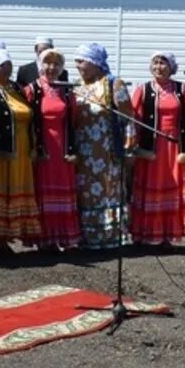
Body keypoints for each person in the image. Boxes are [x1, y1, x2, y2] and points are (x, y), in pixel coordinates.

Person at [0, 48, 42, 254]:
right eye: (3, 64)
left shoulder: (16, 88)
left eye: (10, 63)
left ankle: (8, 236)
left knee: (16, 192)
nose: (9, 67)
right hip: (0, 153)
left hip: (21, 151)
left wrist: (34, 145)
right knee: (0, 192)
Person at [69, 42, 134, 250]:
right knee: (86, 192)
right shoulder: (76, 87)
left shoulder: (113, 84)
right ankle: (87, 236)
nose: (77, 65)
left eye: (82, 61)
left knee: (106, 191)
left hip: (106, 151)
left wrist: (129, 147)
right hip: (83, 151)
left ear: (95, 63)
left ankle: (109, 236)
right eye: (76, 61)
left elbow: (128, 119)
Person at [129, 51, 185, 247]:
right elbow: (134, 120)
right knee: (149, 187)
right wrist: (133, 147)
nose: (158, 67)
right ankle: (142, 233)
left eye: (163, 63)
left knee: (171, 188)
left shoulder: (182, 90)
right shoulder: (143, 89)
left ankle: (167, 233)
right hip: (150, 146)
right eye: (155, 63)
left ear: (171, 67)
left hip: (174, 146)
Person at [26, 47, 80, 250]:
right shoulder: (33, 89)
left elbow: (73, 121)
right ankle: (45, 239)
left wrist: (73, 150)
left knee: (62, 190)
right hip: (44, 148)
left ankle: (63, 237)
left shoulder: (65, 90)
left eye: (56, 64)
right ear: (40, 65)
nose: (52, 67)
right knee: (43, 190)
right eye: (48, 63)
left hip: (62, 147)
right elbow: (28, 121)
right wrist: (34, 148)